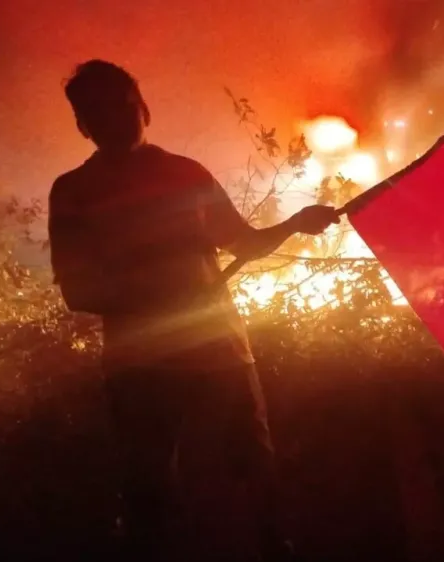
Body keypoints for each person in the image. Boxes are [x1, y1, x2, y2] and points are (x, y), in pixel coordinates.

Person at [47, 59, 339, 561]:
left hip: (220, 353)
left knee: (253, 475)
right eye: (97, 114)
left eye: (122, 108)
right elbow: (78, 291)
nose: (115, 122)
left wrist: (294, 223)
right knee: (150, 493)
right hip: (141, 366)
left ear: (143, 109)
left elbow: (242, 243)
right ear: (82, 125)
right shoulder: (73, 193)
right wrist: (162, 300)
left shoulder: (186, 174)